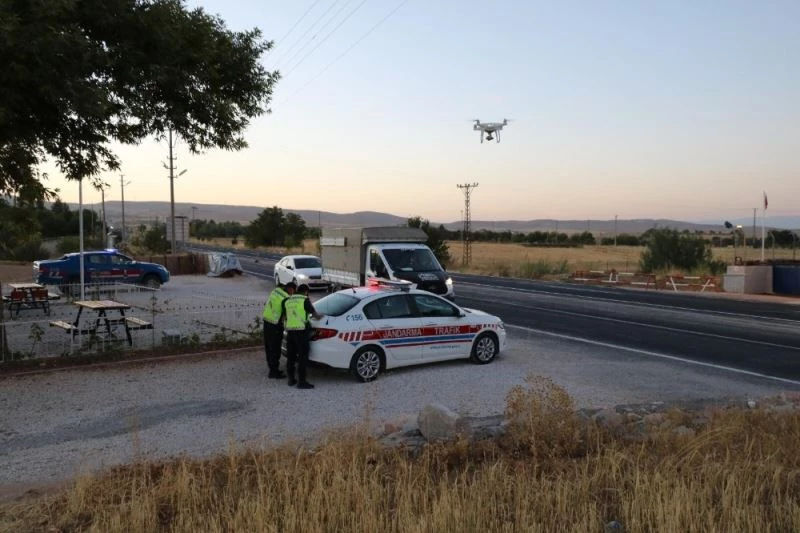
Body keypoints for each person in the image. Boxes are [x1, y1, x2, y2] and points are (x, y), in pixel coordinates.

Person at [281, 284, 323, 389]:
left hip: (290, 332)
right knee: (302, 357)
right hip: (301, 332)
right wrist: (322, 316)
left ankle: (291, 380)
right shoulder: (304, 299)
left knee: (291, 357)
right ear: (306, 291)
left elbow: (285, 317)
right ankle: (302, 382)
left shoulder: (287, 300)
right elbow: (315, 315)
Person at [261, 281, 295, 379]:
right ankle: (273, 372)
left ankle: (271, 368)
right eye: (293, 291)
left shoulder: (275, 291)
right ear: (291, 289)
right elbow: (287, 314)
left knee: (269, 347)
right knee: (275, 349)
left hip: (267, 321)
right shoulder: (286, 298)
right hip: (275, 325)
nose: (292, 294)